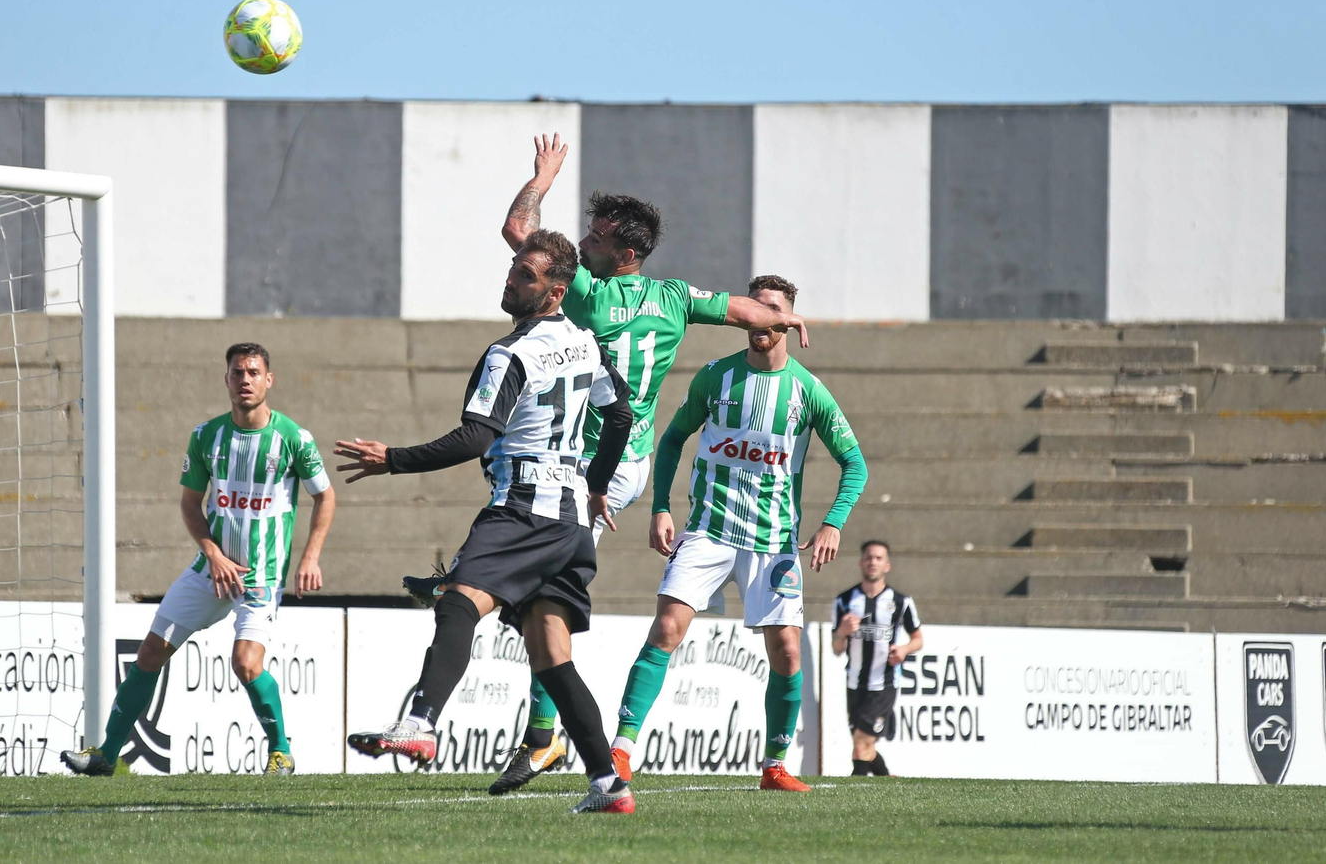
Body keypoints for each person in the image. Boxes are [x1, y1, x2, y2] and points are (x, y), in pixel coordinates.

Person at [402, 134, 811, 795]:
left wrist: (540, 180)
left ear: (622, 253)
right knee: (540, 590)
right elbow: (740, 310)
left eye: (593, 239)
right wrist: (784, 316)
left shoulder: (587, 295)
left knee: (543, 595)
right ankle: (490, 614)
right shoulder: (676, 295)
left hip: (590, 467)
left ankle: (540, 730)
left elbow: (517, 228)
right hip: (622, 458)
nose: (582, 244)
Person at [338, 229, 639, 814]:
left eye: (525, 275)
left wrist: (392, 460)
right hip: (571, 518)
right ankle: (608, 785)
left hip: (522, 507)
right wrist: (597, 484)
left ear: (555, 292)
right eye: (512, 269)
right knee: (552, 656)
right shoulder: (585, 341)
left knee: (458, 603)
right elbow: (621, 414)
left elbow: (476, 436)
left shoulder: (510, 354)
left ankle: (421, 722)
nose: (510, 280)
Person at [611, 275, 868, 792]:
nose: (762, 319)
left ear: (790, 323)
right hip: (708, 529)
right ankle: (620, 751)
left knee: (789, 652)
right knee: (666, 629)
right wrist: (660, 507)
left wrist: (832, 523)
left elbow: (855, 465)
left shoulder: (807, 391)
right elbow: (672, 440)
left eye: (774, 310)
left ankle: (775, 765)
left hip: (773, 541)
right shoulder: (715, 378)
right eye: (756, 309)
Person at [61, 343, 336, 777]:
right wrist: (212, 553)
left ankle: (280, 752)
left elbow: (326, 496)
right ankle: (105, 756)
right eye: (236, 372)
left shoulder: (293, 438)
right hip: (210, 570)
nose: (244, 379)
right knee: (150, 653)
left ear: (269, 380)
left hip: (261, 574)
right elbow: (191, 504)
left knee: (246, 663)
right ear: (226, 379)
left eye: (253, 372)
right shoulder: (207, 435)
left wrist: (311, 557)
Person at [832, 539, 924, 777]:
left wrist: (904, 650)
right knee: (864, 746)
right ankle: (887, 780)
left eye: (878, 558)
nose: (873, 562)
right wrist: (842, 632)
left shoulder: (901, 602)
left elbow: (918, 639)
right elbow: (836, 647)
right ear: (861, 563)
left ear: (887, 565)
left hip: (884, 683)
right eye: (869, 557)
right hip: (854, 682)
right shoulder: (844, 600)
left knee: (861, 743)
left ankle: (854, 794)